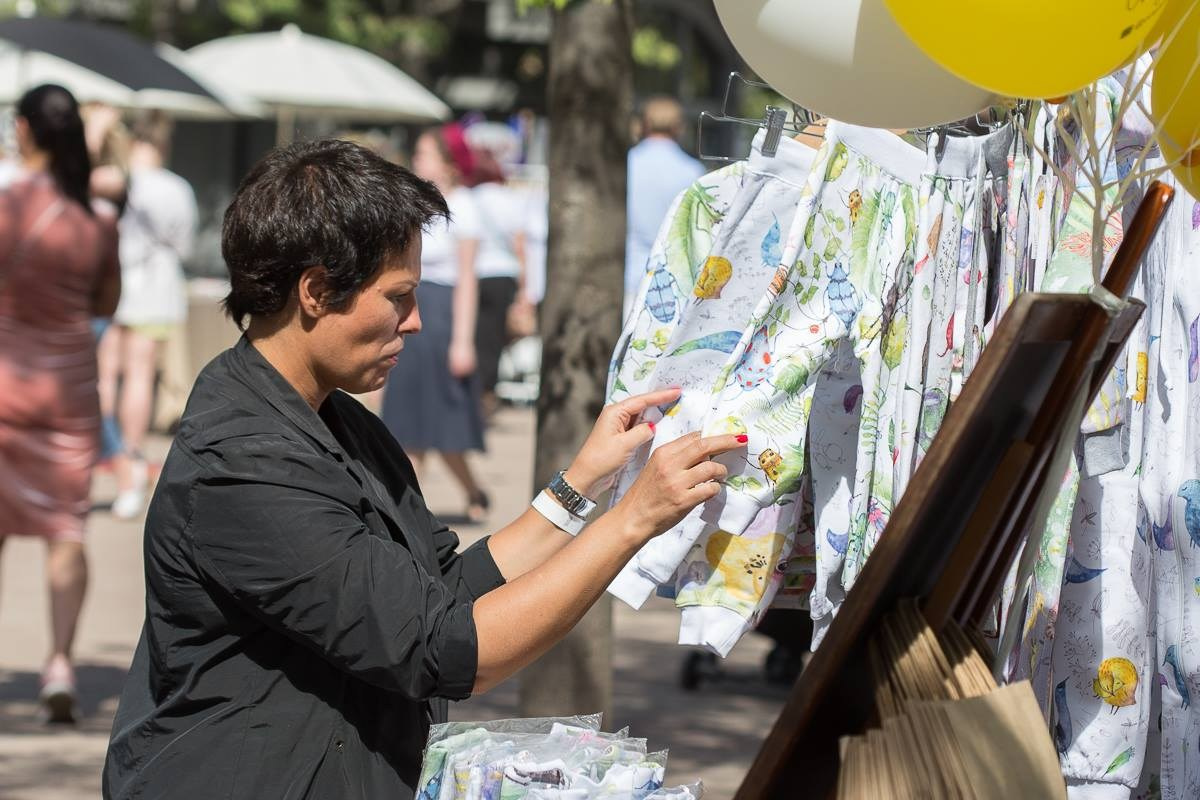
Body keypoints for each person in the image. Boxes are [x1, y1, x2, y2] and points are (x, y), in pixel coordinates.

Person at [102, 138, 745, 799]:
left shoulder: (339, 420)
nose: (414, 322)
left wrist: (583, 484)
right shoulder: (243, 460)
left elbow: (443, 590)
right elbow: (450, 650)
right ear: (316, 291)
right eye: (398, 296)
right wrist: (632, 521)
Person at [0, 84, 121, 723]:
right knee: (67, 531)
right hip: (69, 390)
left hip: (4, 379)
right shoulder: (97, 218)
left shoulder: (6, 201)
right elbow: (106, 302)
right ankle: (59, 667)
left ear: (23, 130)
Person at [381, 124, 489, 521]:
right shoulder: (415, 204)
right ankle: (407, 510)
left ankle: (469, 492)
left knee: (445, 422)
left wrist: (462, 341)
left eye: (424, 154)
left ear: (448, 163)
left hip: (442, 315)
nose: (417, 160)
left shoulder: (465, 207)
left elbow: (467, 280)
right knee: (407, 422)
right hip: (410, 305)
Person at [97, 111, 196, 520]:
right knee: (139, 373)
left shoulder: (108, 179)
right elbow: (184, 244)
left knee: (106, 374)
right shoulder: (175, 188)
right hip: (154, 287)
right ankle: (132, 454)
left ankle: (111, 452)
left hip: (110, 283)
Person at [467, 144, 534, 417]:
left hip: (476, 274)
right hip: (504, 275)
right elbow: (520, 245)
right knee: (494, 339)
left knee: (475, 336)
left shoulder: (471, 198)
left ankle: (474, 393)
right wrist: (524, 289)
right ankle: (487, 393)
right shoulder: (510, 199)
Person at [624, 96, 705, 318]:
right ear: (679, 127)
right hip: (670, 280)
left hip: (626, 274)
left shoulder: (626, 164)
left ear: (645, 124)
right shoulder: (692, 171)